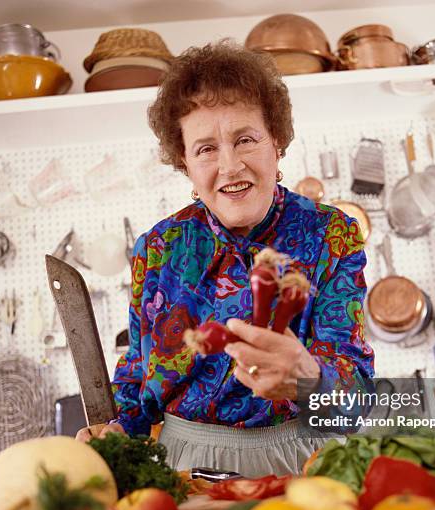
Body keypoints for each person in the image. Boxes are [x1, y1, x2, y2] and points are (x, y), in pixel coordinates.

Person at [77, 40, 374, 477]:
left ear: (277, 142)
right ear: (185, 163)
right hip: (179, 464)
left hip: (301, 460)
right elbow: (137, 382)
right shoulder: (156, 249)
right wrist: (117, 433)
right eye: (206, 149)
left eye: (245, 139)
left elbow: (358, 400)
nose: (230, 166)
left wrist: (311, 379)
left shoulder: (332, 234)